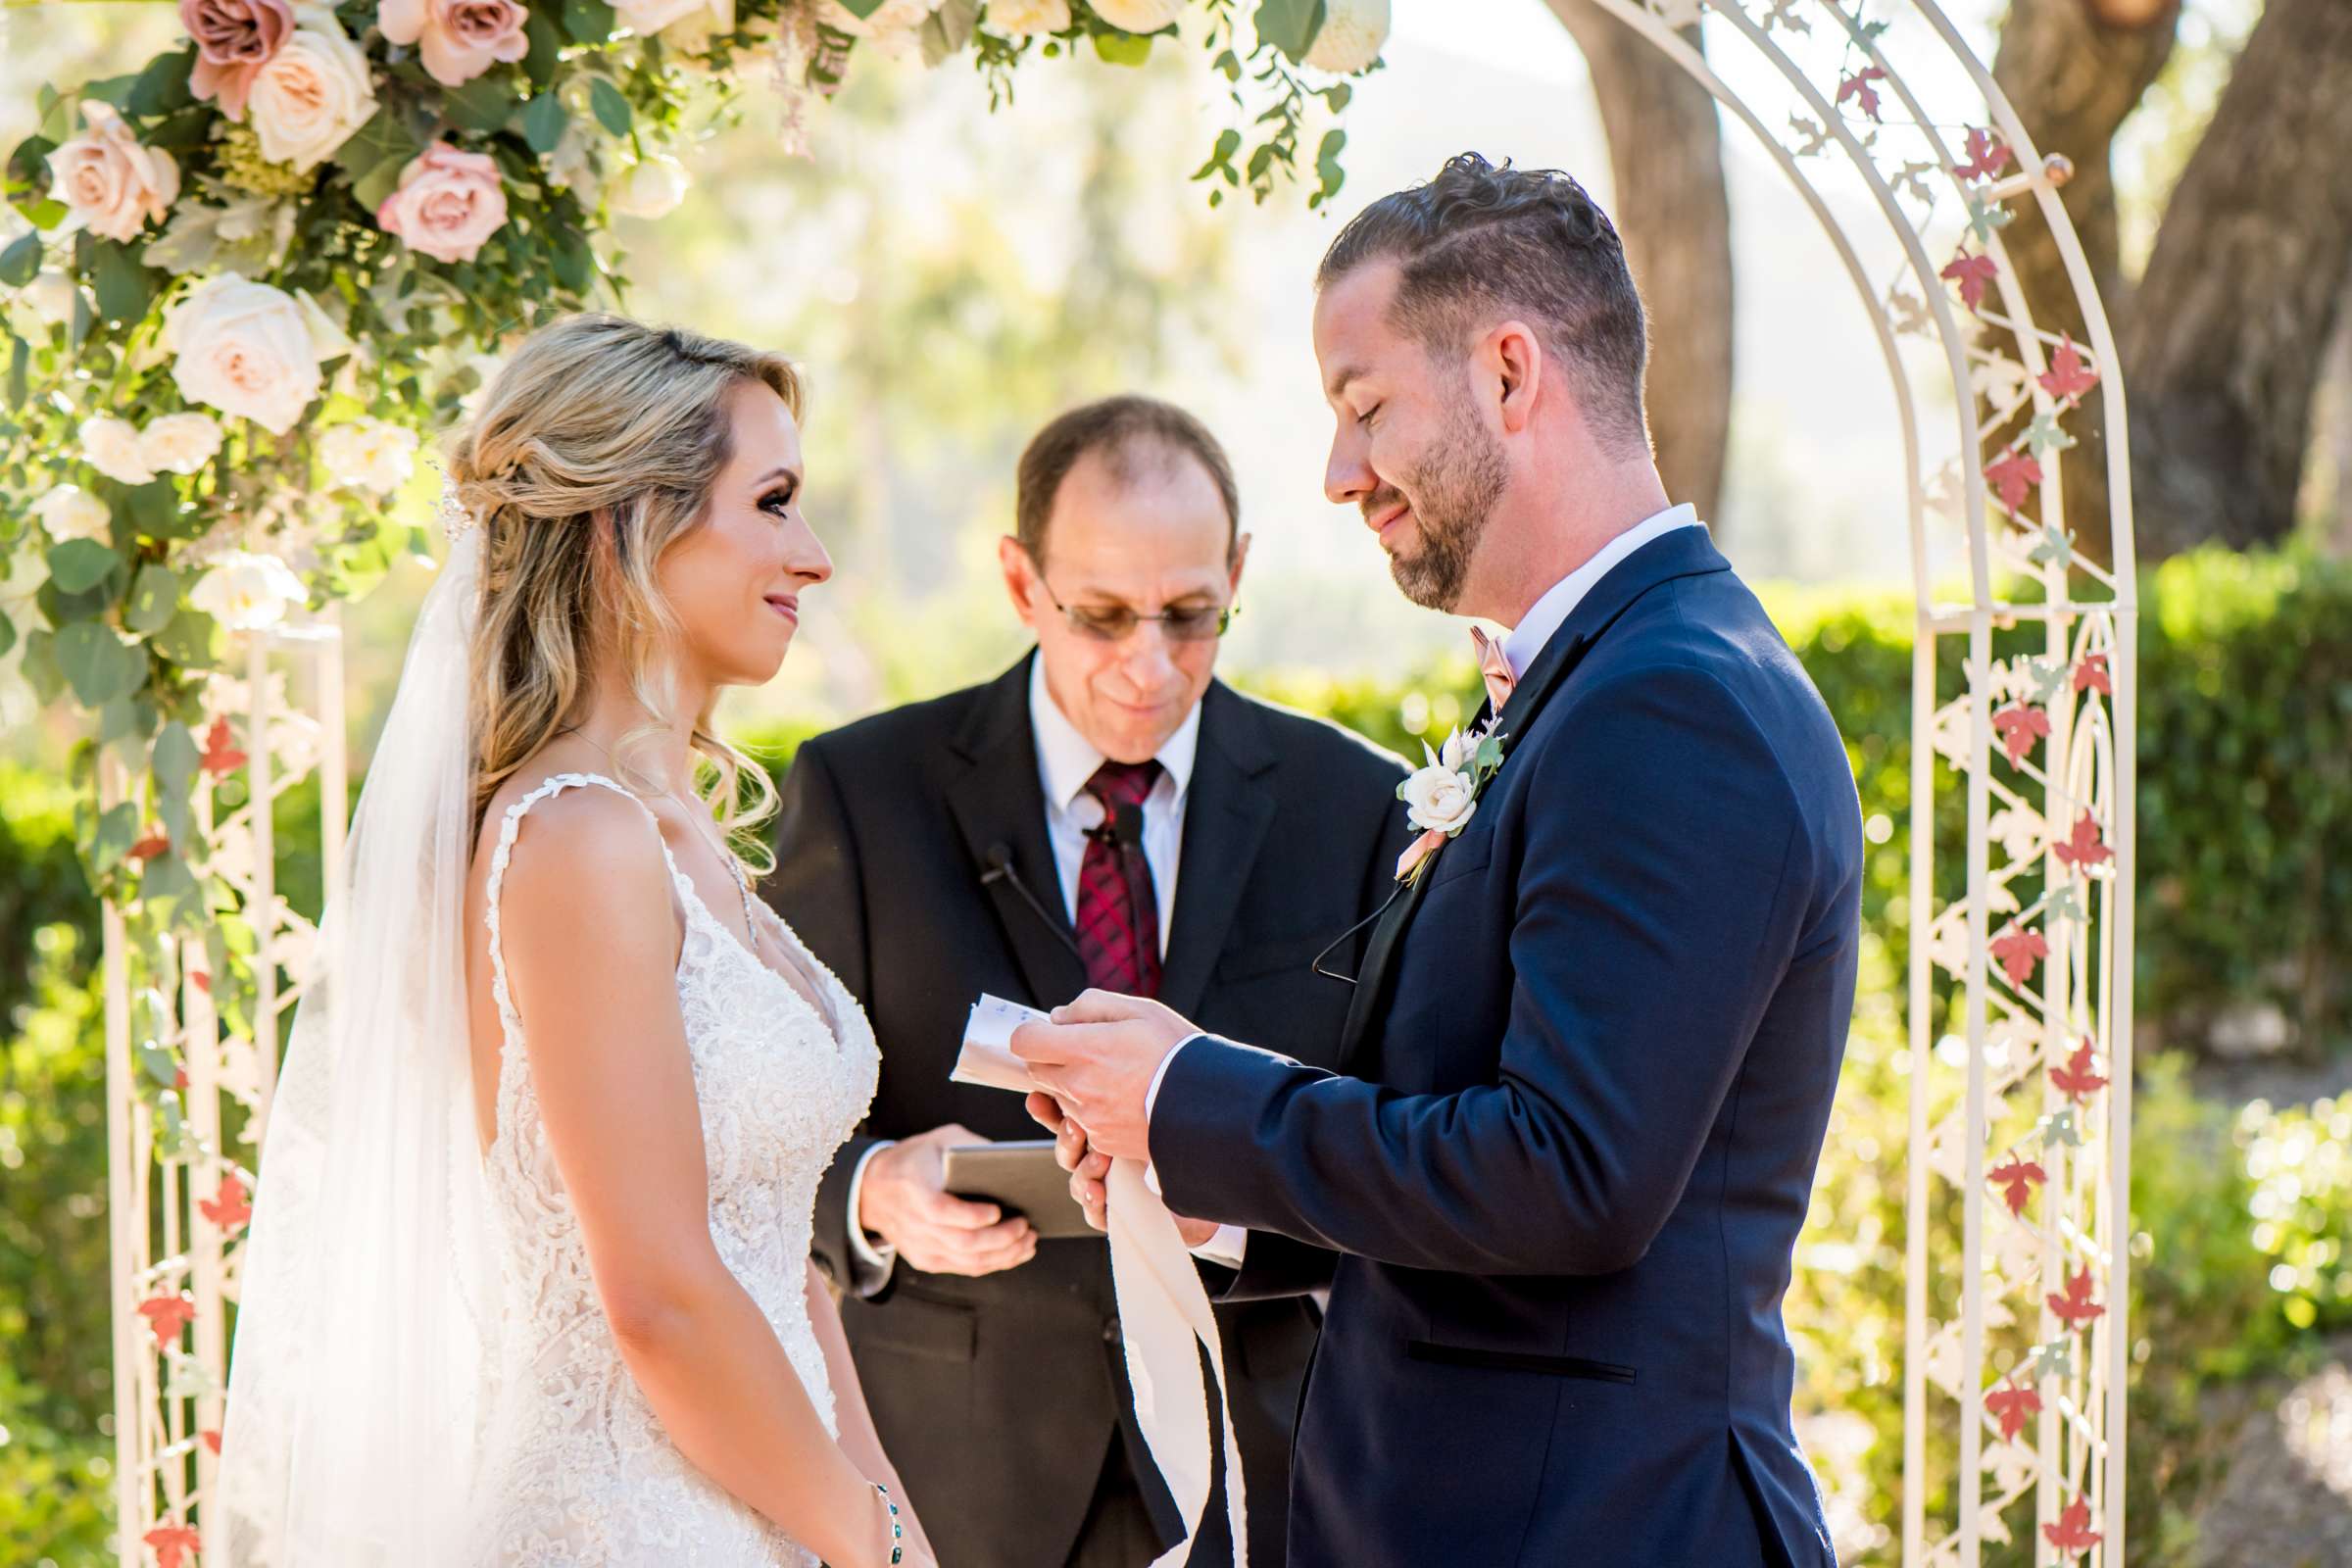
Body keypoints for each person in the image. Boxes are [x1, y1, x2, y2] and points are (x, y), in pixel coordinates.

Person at [1014, 155, 1863, 1567]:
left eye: (1363, 408)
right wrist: (1217, 1186)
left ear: (1511, 375)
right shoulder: (1589, 685)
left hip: (1600, 1526)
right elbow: (1477, 1137)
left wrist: (1189, 1089)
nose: (1340, 475)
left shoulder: (1672, 703)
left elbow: (1572, 1175)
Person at [220, 316, 934, 1568]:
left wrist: (890, 1523)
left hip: (780, 1502)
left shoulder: (685, 844)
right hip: (631, 1524)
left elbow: (778, 1263)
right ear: (627, 529)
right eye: (772, 503)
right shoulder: (578, 841)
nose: (813, 557)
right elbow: (657, 1295)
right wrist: (863, 1540)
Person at [764, 395, 1405, 1567]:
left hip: (1264, 1470)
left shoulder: (1358, 806)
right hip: (959, 1475)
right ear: (1021, 584)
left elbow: (1398, 1143)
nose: (1148, 665)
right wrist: (873, 1190)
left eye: (1192, 615)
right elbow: (754, 1146)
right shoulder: (864, 797)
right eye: (1103, 616)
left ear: (1239, 572)